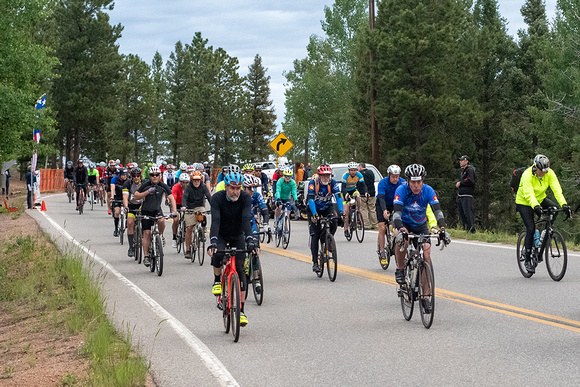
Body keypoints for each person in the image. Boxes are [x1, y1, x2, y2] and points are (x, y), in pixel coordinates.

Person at [392, 164, 449, 314]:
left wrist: (442, 229)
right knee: (402, 240)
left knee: (426, 254)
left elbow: (437, 210)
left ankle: (425, 296)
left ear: (423, 181)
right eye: (413, 182)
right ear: (408, 181)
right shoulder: (401, 190)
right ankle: (400, 268)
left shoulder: (428, 191)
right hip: (403, 223)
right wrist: (401, 229)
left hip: (420, 225)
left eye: (419, 182)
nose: (416, 186)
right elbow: (396, 213)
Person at [207, 171, 257, 326]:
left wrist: (250, 240)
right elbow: (215, 220)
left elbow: (246, 219)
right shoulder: (217, 198)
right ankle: (217, 280)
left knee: (241, 271)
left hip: (237, 235)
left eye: (238, 188)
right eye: (232, 188)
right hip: (221, 233)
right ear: (226, 187)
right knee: (217, 254)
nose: (236, 191)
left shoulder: (245, 198)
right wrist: (213, 241)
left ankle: (241, 311)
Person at [515, 154, 571, 274]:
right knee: (530, 228)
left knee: (554, 209)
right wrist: (536, 207)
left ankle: (545, 234)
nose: (544, 173)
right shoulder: (527, 175)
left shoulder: (550, 173)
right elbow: (529, 194)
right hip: (524, 202)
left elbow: (557, 190)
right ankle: (528, 260)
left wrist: (564, 205)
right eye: (542, 171)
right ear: (536, 168)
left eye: (546, 171)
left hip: (540, 199)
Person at [133, 165, 177, 267]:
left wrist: (174, 211)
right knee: (147, 233)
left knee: (161, 221)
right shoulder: (146, 184)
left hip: (157, 210)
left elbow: (171, 198)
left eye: (157, 175)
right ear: (150, 176)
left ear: (160, 175)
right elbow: (136, 196)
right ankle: (146, 256)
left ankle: (160, 236)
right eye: (152, 175)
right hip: (146, 211)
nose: (155, 177)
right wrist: (147, 192)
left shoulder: (163, 185)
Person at [307, 165, 343, 272]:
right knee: (315, 234)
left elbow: (338, 197)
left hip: (327, 207)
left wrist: (341, 212)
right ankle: (315, 262)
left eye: (328, 176)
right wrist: (314, 214)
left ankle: (327, 239)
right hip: (314, 208)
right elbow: (311, 200)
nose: (326, 178)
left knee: (335, 220)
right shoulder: (313, 183)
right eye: (324, 176)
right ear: (319, 176)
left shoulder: (333, 183)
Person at [376, 165, 406, 265]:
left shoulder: (402, 182)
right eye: (393, 176)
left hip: (395, 204)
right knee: (382, 227)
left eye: (397, 176)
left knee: (400, 224)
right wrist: (384, 210)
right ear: (389, 175)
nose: (395, 179)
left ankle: (395, 241)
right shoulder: (383, 183)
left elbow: (406, 197)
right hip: (382, 204)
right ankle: (382, 251)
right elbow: (381, 198)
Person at [181, 170, 212, 258]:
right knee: (189, 228)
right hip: (189, 207)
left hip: (199, 206)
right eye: (195, 180)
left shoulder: (203, 186)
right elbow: (185, 197)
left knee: (203, 217)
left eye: (198, 180)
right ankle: (188, 249)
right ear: (192, 180)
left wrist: (214, 207)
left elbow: (209, 197)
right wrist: (184, 206)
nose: (196, 182)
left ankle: (202, 230)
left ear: (201, 180)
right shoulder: (188, 187)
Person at [341, 161, 368, 239]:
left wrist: (366, 192)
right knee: (346, 212)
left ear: (357, 170)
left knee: (358, 196)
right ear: (349, 170)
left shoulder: (359, 175)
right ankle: (346, 229)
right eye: (351, 170)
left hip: (353, 190)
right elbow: (343, 187)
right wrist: (346, 194)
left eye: (354, 170)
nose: (353, 172)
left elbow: (363, 185)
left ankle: (358, 212)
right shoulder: (345, 176)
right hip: (345, 191)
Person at [122, 167, 144, 257]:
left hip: (142, 205)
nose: (136, 178)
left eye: (138, 176)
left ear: (140, 176)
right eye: (134, 176)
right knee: (130, 222)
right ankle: (131, 247)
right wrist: (126, 206)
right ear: (131, 176)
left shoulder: (144, 184)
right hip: (131, 205)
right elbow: (125, 196)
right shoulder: (127, 183)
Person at [456, 155, 476, 233]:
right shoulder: (463, 171)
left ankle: (471, 229)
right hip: (461, 194)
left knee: (468, 212)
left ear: (466, 161)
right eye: (460, 160)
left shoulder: (469, 170)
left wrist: (461, 183)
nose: (460, 162)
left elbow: (471, 180)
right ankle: (466, 228)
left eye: (462, 160)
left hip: (467, 194)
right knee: (462, 213)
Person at [274, 167, 298, 231]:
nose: (288, 178)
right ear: (284, 176)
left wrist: (296, 199)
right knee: (280, 206)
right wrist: (278, 198)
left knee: (287, 213)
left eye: (289, 176)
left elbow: (294, 192)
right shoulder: (280, 181)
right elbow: (278, 190)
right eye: (286, 176)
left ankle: (285, 230)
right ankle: (276, 220)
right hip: (279, 197)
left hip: (287, 198)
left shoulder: (292, 182)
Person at [170, 172, 188, 248]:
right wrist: (175, 209)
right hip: (176, 204)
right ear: (180, 182)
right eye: (183, 182)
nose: (185, 184)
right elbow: (173, 198)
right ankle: (174, 237)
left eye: (187, 182)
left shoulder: (190, 188)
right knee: (176, 220)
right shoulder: (176, 187)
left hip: (186, 205)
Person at [358, 163, 378, 230]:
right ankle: (375, 224)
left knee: (364, 209)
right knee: (372, 209)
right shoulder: (371, 172)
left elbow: (359, 184)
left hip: (362, 193)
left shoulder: (359, 174)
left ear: (360, 167)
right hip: (372, 193)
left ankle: (365, 225)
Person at [110, 168, 128, 236]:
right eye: (123, 175)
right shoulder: (114, 179)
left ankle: (126, 222)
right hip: (117, 196)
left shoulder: (127, 180)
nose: (125, 176)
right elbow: (112, 188)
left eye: (125, 175)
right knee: (117, 212)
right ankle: (116, 229)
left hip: (126, 197)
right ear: (119, 175)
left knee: (128, 211)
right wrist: (112, 197)